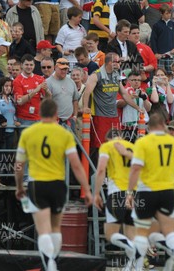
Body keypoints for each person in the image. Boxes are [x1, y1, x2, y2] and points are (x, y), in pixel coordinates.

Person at [15, 99, 92, 271]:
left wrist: (19, 186)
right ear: (56, 113)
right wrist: (86, 189)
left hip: (37, 184)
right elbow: (76, 164)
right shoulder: (64, 133)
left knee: (43, 229)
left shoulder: (29, 133)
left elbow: (19, 165)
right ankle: (54, 261)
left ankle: (49, 262)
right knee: (56, 227)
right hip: (57, 184)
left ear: (40, 113)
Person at [125, 113, 174, 271]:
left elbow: (136, 168)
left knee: (141, 231)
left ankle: (136, 267)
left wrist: (129, 192)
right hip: (168, 191)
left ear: (148, 127)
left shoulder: (143, 142)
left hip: (147, 191)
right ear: (164, 126)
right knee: (169, 230)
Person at [93, 129, 140, 268]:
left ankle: (134, 249)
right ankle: (134, 267)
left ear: (108, 139)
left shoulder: (107, 146)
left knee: (110, 234)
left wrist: (96, 193)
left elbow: (101, 169)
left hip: (117, 193)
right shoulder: (133, 147)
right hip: (135, 194)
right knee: (131, 233)